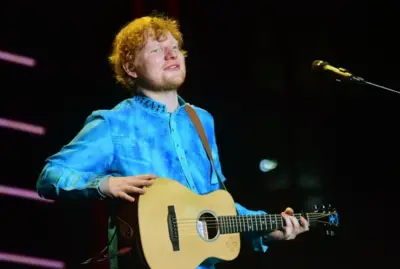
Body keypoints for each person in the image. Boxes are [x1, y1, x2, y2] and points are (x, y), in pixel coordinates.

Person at [36, 13, 309, 269]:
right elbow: (50, 176)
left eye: (175, 47)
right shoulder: (112, 124)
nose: (171, 54)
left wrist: (266, 229)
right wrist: (105, 184)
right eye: (156, 49)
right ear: (131, 67)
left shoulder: (202, 121)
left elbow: (213, 205)